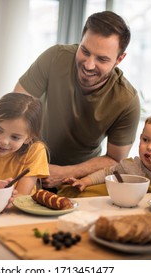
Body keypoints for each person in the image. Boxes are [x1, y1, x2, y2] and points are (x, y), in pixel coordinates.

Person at [13, 11, 141, 195]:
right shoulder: (55, 57)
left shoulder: (127, 101)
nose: (88, 65)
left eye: (102, 59)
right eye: (85, 51)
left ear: (119, 59)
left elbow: (115, 159)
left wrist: (65, 172)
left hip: (79, 178)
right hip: (27, 163)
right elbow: (14, 108)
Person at [63, 111, 151, 196]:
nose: (150, 148)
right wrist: (84, 181)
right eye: (145, 140)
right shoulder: (130, 165)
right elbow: (106, 173)